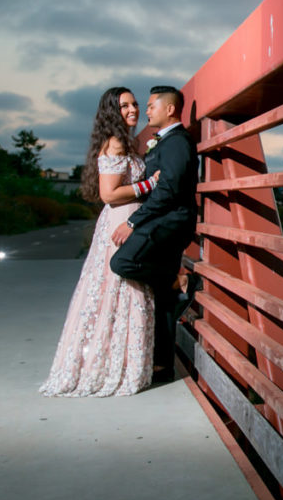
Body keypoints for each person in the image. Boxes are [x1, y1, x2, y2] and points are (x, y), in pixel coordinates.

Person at [40, 87, 161, 397]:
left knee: (122, 290)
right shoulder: (117, 142)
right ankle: (108, 366)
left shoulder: (129, 142)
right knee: (117, 287)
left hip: (128, 218)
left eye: (134, 104)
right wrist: (151, 183)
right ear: (112, 112)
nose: (133, 109)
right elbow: (108, 194)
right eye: (124, 106)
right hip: (120, 221)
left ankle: (119, 362)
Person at [110, 86, 199, 384]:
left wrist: (133, 222)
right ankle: (162, 365)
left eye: (150, 106)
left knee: (122, 262)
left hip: (171, 221)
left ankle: (175, 278)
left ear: (169, 109)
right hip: (165, 219)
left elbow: (169, 190)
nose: (145, 111)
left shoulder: (177, 143)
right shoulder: (166, 141)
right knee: (162, 299)